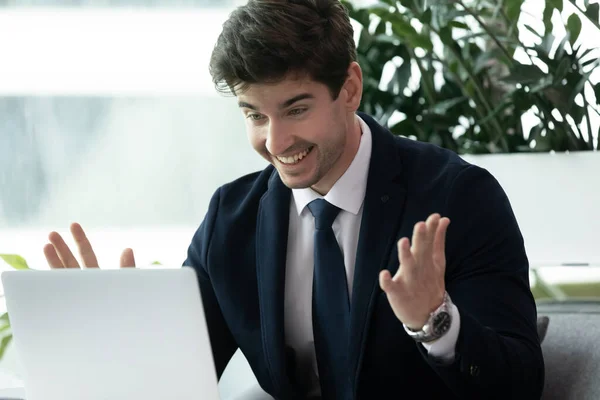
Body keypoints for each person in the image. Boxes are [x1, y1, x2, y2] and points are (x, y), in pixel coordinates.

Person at [43, 0, 545, 399]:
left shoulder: (459, 197)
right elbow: (180, 378)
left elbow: (520, 385)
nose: (276, 141)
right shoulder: (231, 220)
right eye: (254, 116)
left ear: (349, 88)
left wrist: (436, 323)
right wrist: (105, 330)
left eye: (295, 109)